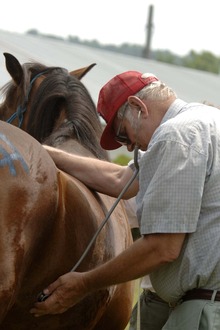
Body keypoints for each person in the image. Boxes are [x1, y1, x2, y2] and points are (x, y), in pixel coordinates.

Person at [30, 70, 220, 329]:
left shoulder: (176, 136)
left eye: (122, 134)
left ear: (137, 106)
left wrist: (83, 284)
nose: (129, 147)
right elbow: (122, 179)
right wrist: (41, 150)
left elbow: (162, 247)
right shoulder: (204, 121)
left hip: (204, 310)